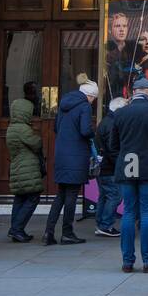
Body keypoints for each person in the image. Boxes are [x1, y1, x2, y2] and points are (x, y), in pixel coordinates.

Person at [110, 76, 148, 273]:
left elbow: (113, 145)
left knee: (128, 212)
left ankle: (127, 262)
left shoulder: (120, 113)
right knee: (147, 212)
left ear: (134, 92)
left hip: (127, 164)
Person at [46, 79, 96, 245]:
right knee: (72, 195)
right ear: (90, 95)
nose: (93, 101)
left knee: (60, 194)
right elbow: (85, 130)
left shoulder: (64, 104)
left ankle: (49, 231)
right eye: (93, 98)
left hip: (62, 153)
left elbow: (56, 127)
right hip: (76, 155)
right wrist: (92, 132)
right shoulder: (85, 106)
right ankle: (67, 232)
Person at [6, 91, 46, 242]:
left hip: (17, 165)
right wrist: (37, 136)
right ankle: (17, 228)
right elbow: (36, 143)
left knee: (20, 198)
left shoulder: (11, 127)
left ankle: (15, 228)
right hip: (27, 167)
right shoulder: (23, 128)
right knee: (32, 198)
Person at [93, 96, 126, 236]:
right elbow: (113, 149)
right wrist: (120, 165)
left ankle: (101, 223)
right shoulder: (113, 124)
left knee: (104, 196)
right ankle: (105, 225)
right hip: (110, 167)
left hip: (103, 166)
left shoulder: (105, 122)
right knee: (115, 196)